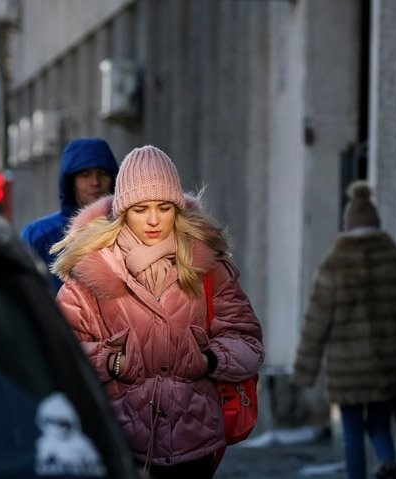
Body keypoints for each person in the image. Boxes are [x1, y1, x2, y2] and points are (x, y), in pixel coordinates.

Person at [50, 145, 264, 479]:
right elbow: (61, 350)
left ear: (176, 209)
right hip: (122, 442)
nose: (153, 220)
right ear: (123, 211)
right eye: (140, 209)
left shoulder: (207, 265)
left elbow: (248, 342)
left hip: (195, 443)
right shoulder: (91, 271)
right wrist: (112, 362)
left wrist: (209, 359)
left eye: (163, 207)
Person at [292, 181, 396, 479]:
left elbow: (317, 321)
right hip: (385, 361)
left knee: (352, 431)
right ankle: (388, 463)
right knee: (380, 423)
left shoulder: (334, 264)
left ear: (348, 224)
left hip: (346, 368)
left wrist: (305, 370)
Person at [20, 137, 119, 293]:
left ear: (114, 179)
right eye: (85, 175)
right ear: (71, 182)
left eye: (103, 173)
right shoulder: (37, 234)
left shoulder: (130, 229)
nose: (95, 182)